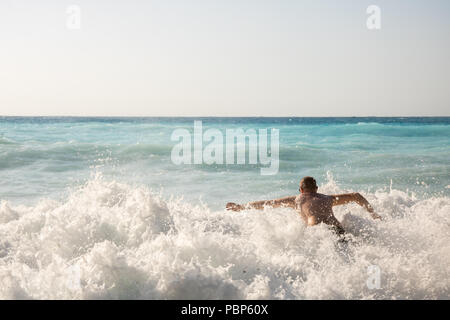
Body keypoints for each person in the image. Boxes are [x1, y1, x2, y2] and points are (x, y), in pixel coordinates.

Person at [226, 176, 381, 235]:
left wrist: (240, 207)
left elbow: (266, 203)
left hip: (319, 233)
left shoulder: (296, 199)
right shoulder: (328, 198)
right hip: (337, 229)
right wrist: (373, 214)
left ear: (300, 190)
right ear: (317, 189)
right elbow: (356, 196)